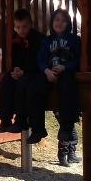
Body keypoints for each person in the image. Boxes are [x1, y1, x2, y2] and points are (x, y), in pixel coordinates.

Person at [27, 9, 81, 167]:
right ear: (51, 22)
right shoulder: (47, 40)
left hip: (65, 73)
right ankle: (37, 128)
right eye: (56, 19)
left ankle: (67, 128)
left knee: (67, 88)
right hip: (49, 73)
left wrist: (65, 67)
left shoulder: (74, 40)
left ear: (68, 23)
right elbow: (41, 59)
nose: (59, 23)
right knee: (35, 87)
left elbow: (78, 59)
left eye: (63, 20)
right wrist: (46, 71)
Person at [0, 8, 44, 134]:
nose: (21, 30)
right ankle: (5, 119)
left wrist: (25, 71)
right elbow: (13, 58)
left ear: (30, 25)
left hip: (34, 72)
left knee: (23, 84)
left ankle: (20, 120)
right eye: (18, 27)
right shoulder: (14, 39)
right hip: (20, 72)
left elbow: (39, 60)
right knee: (7, 80)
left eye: (24, 26)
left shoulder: (38, 39)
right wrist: (15, 70)